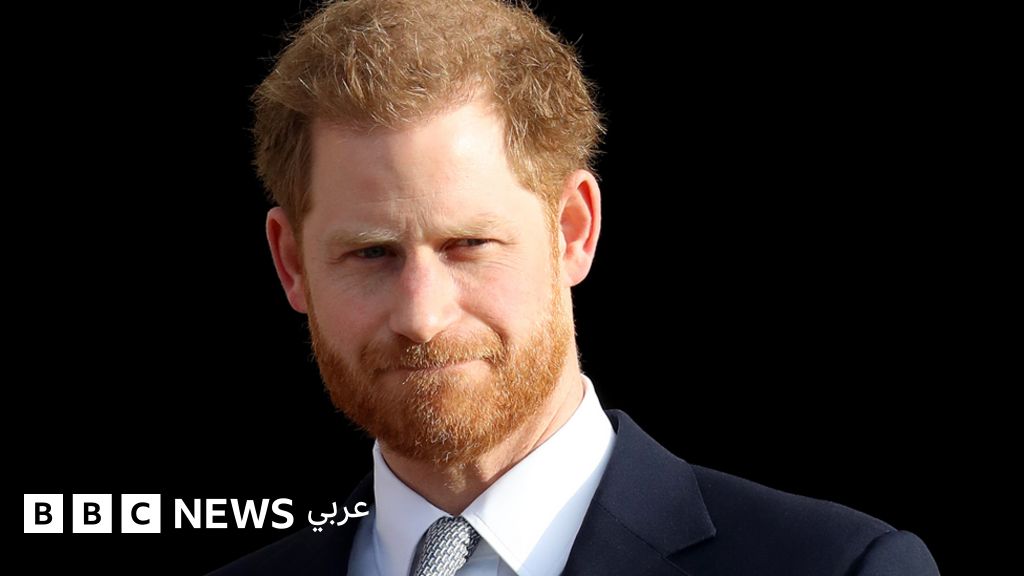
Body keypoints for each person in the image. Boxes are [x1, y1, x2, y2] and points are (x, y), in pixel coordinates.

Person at [212, 0, 939, 574]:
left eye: (469, 245)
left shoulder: (834, 566)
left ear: (572, 230)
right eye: (371, 254)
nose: (421, 315)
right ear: (291, 264)